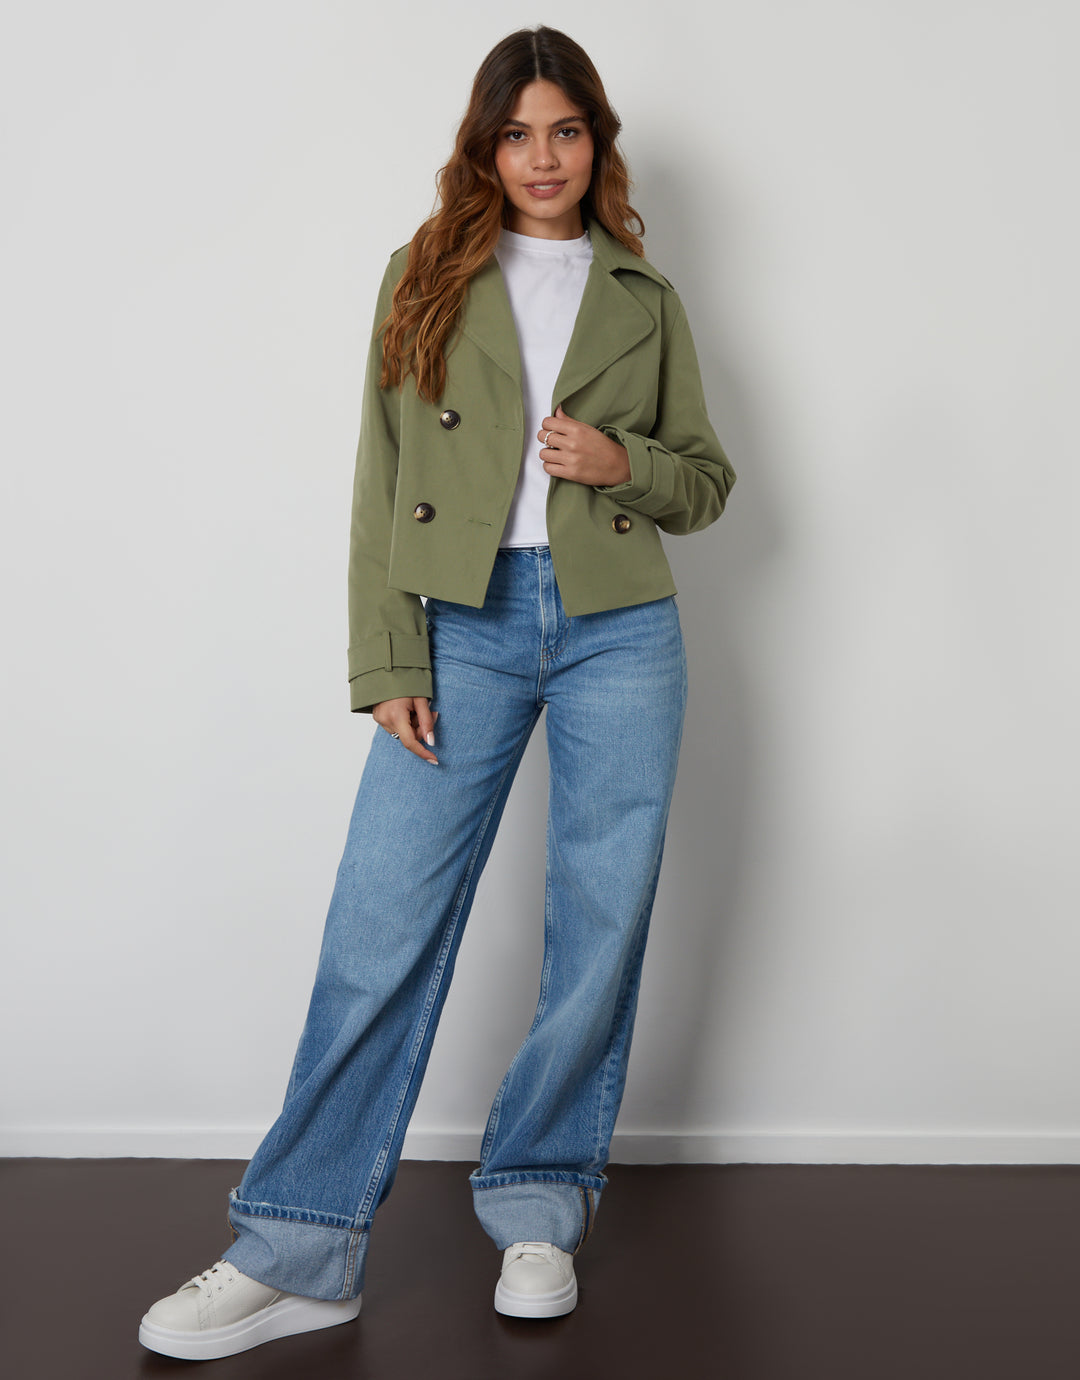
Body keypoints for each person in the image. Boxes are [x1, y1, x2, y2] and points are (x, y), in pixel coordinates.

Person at [139, 23, 735, 1362]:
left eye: (566, 131)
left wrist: (619, 461)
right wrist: (388, 660)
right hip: (462, 626)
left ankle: (540, 1206)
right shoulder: (425, 274)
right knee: (380, 924)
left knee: (599, 926)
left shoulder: (644, 296)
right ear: (486, 146)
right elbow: (377, 476)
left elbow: (706, 482)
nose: (543, 157)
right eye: (517, 133)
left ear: (597, 142)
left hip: (620, 630)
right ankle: (296, 1248)